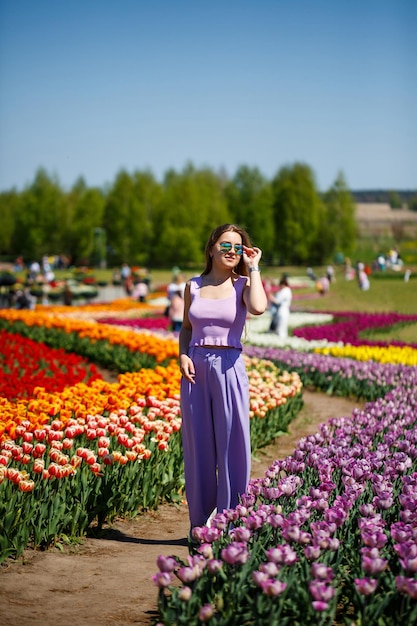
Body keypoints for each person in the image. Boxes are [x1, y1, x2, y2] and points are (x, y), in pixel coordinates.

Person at [179, 223, 267, 543]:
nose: (232, 252)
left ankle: (231, 521)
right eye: (226, 245)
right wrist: (182, 354)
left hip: (230, 367)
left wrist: (254, 267)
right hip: (195, 369)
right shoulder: (194, 286)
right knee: (198, 446)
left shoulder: (243, 284)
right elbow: (187, 327)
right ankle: (199, 523)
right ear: (211, 248)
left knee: (233, 444)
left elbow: (258, 308)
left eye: (238, 247)